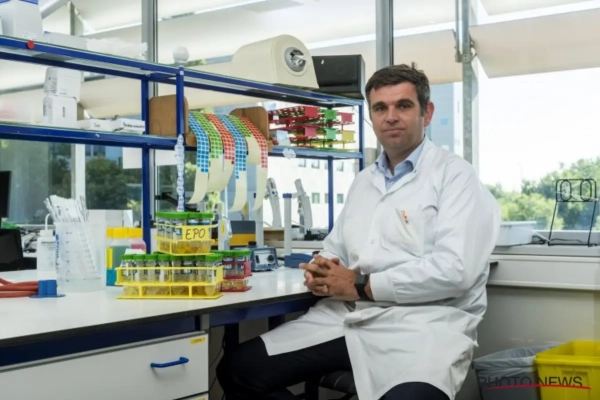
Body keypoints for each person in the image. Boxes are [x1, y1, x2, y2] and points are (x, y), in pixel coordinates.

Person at [216, 64, 501, 400]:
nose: (390, 117)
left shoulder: (455, 177)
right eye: (380, 108)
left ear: (427, 113)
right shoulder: (364, 182)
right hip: (348, 319)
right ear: (371, 117)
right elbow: (336, 247)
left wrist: (360, 284)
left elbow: (456, 271)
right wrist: (321, 270)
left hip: (423, 326)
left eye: (403, 106)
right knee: (239, 370)